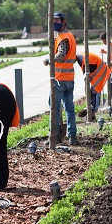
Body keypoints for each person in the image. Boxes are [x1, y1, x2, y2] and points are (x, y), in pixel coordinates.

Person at [43, 11, 78, 145]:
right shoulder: (70, 36)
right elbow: (72, 57)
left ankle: (54, 136)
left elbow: (62, 54)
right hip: (69, 78)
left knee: (54, 108)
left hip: (60, 79)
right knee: (69, 108)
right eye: (53, 21)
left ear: (64, 22)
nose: (54, 23)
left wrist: (49, 59)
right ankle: (72, 135)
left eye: (57, 21)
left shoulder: (64, 37)